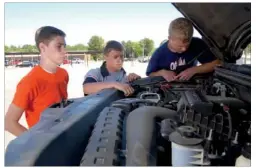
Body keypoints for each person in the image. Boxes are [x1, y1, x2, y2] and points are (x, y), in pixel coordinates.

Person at [5, 26, 69, 136]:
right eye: (59, 47)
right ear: (43, 48)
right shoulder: (30, 82)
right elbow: (9, 122)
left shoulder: (63, 74)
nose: (64, 52)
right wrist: (35, 142)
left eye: (64, 46)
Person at [146, 17, 221, 81]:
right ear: (170, 39)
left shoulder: (197, 44)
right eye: (179, 46)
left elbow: (217, 63)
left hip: (192, 84)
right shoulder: (159, 54)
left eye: (187, 45)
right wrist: (162, 72)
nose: (184, 49)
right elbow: (150, 75)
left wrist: (194, 70)